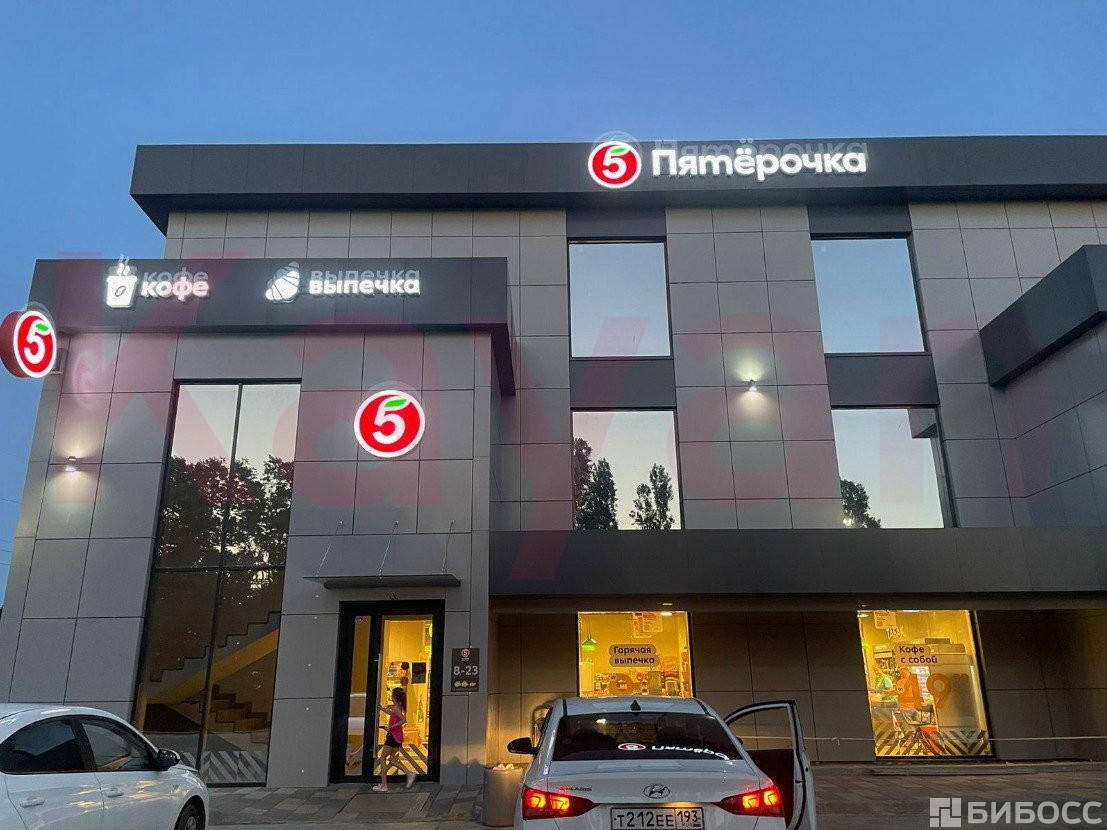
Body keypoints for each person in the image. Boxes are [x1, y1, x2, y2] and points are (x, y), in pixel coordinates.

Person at [373, 687, 416, 792]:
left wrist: (391, 727)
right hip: (398, 736)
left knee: (382, 758)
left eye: (392, 695)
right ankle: (409, 774)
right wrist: (381, 708)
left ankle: (384, 785)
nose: (391, 697)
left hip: (393, 736)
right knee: (392, 760)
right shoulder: (397, 707)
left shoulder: (396, 708)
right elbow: (390, 712)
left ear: (395, 697)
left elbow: (403, 720)